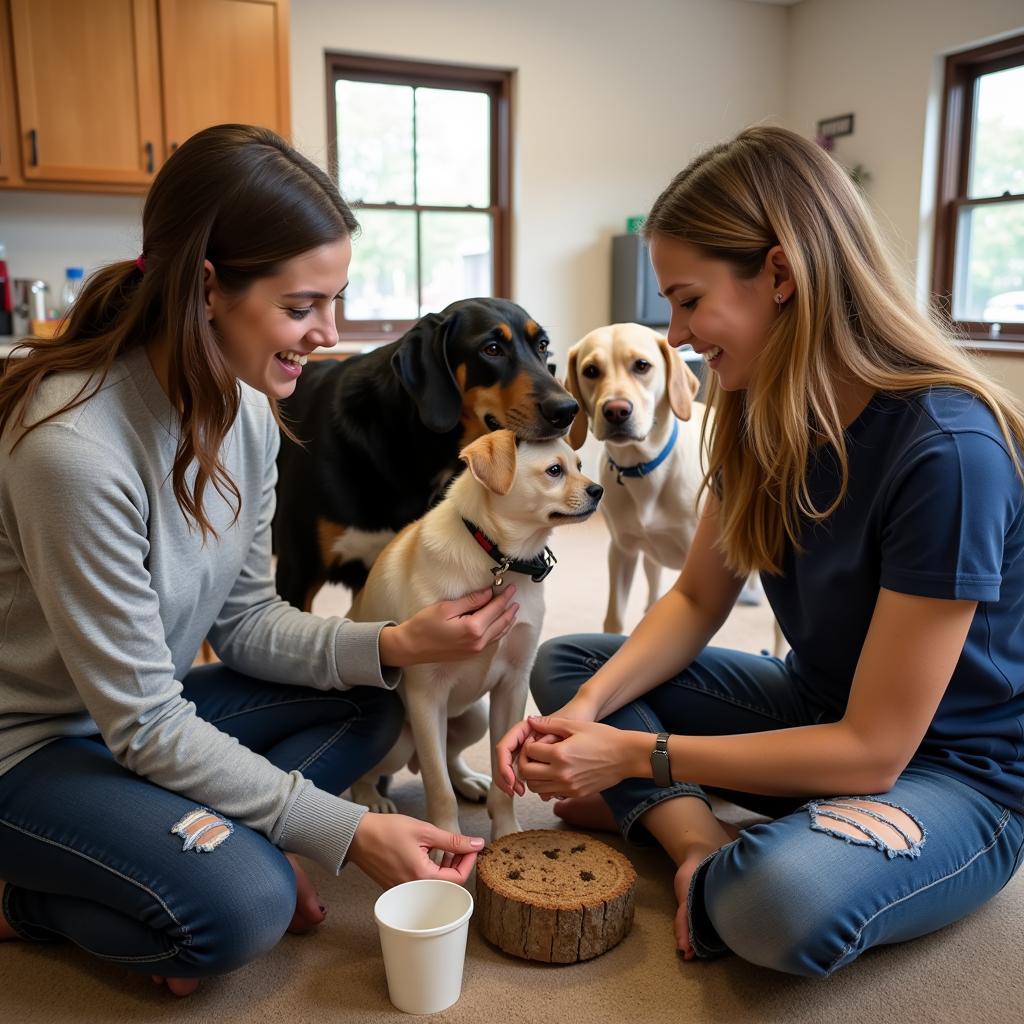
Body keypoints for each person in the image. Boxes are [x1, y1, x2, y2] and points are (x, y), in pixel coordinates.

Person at [0, 124, 521, 997]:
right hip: (38, 747)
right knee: (244, 902)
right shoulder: (72, 448)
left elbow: (244, 622)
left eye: (336, 300)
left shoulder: (245, 410)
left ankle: (182, 831)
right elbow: (144, 724)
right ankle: (28, 897)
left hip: (139, 717)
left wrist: (395, 643)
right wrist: (343, 831)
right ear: (206, 288)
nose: (329, 331)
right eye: (302, 305)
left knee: (376, 703)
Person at [496, 125, 1024, 978]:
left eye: (688, 299)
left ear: (779, 274)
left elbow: (874, 751)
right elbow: (700, 600)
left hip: (952, 775)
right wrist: (589, 714)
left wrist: (637, 757)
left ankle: (685, 816)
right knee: (568, 668)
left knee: (775, 900)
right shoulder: (753, 413)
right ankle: (699, 836)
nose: (679, 332)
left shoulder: (949, 451)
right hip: (811, 710)